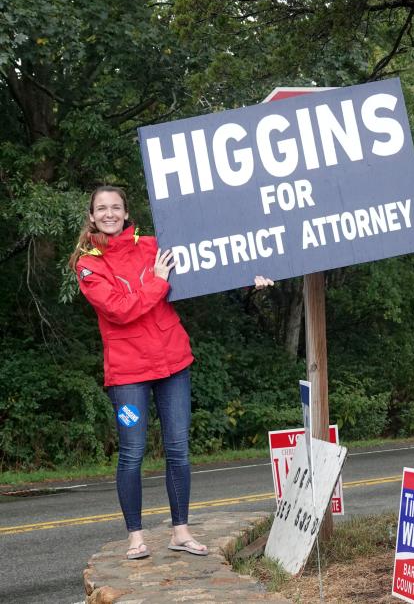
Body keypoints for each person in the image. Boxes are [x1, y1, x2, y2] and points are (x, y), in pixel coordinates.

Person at [68, 186, 273, 561]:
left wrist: (250, 276)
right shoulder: (88, 264)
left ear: (126, 213)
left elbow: (206, 263)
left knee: (178, 450)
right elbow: (120, 309)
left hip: (172, 363)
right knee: (132, 453)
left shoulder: (151, 246)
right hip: (128, 374)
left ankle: (180, 531)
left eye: (116, 207)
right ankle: (136, 538)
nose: (110, 213)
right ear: (92, 216)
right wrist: (157, 283)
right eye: (102, 208)